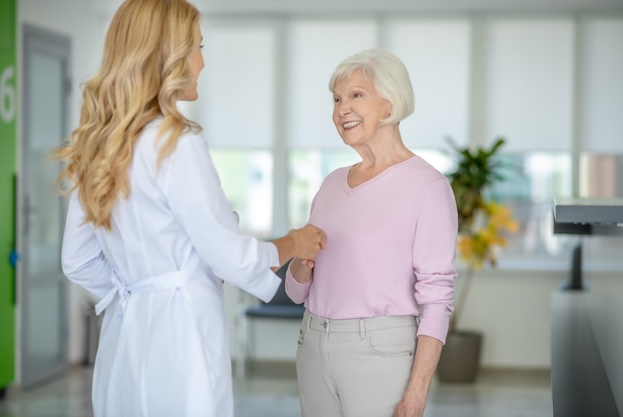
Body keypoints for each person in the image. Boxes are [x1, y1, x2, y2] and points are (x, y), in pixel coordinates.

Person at [54, 1, 326, 416]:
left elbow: (76, 261)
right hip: (182, 338)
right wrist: (294, 241)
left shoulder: (100, 145)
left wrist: (140, 290)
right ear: (170, 55)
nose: (202, 62)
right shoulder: (175, 143)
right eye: (197, 47)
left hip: (123, 335)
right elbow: (229, 256)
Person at [285, 48, 458, 417]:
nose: (341, 109)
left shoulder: (427, 186)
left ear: (390, 103)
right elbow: (296, 290)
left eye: (355, 95)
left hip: (380, 352)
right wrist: (301, 264)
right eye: (336, 99)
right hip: (313, 341)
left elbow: (437, 298)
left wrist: (417, 393)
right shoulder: (331, 185)